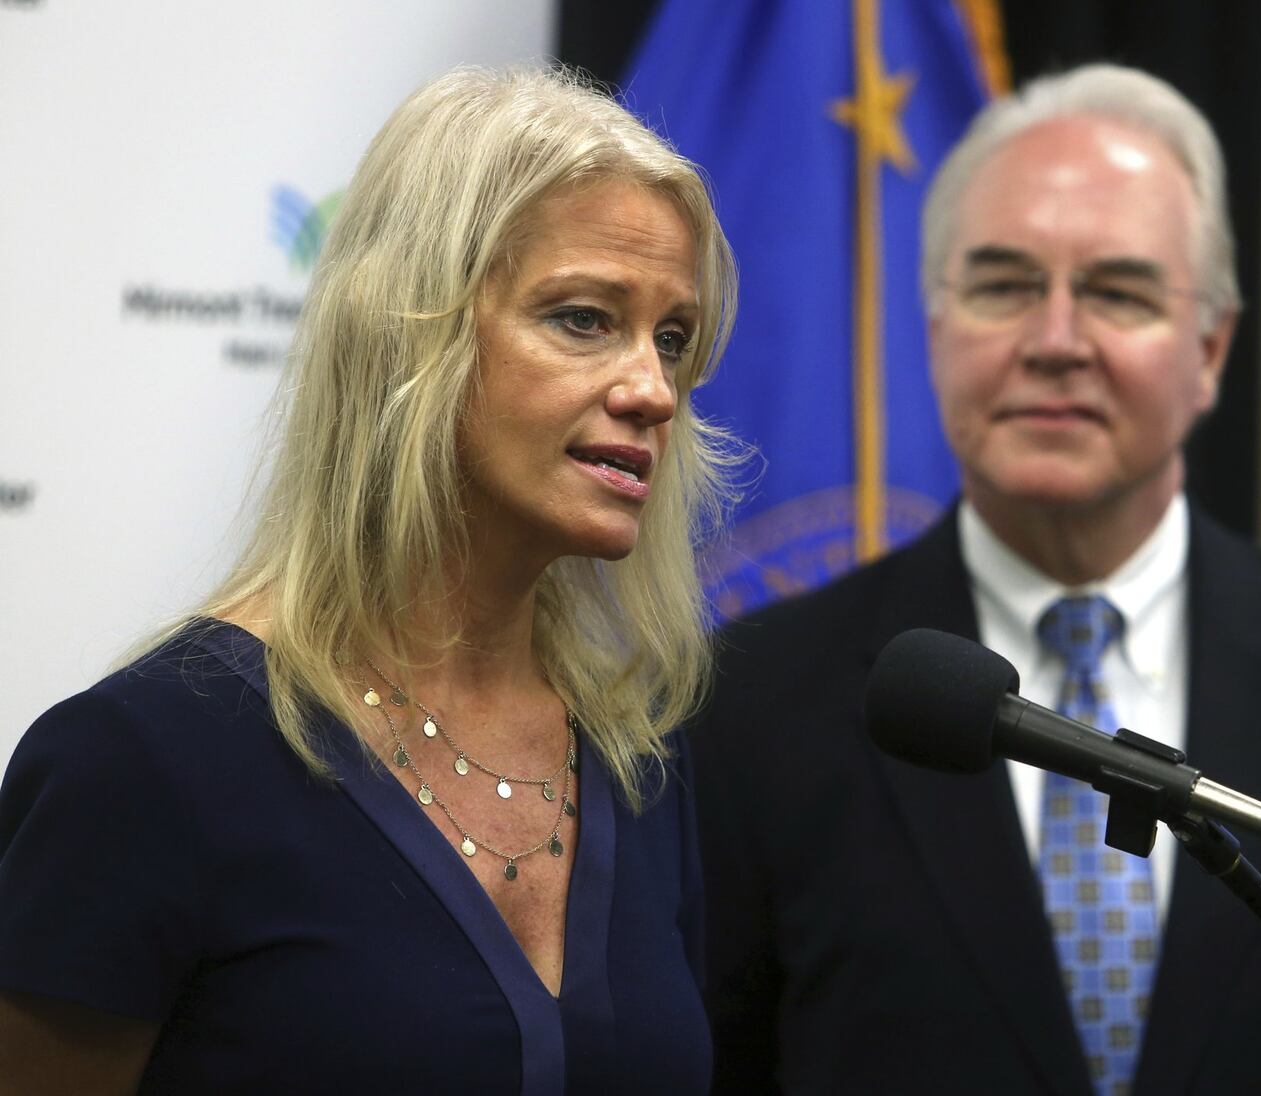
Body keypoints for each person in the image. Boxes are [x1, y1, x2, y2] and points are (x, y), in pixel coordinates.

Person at [689, 63, 1261, 1095]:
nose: (1054, 341)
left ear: (1210, 348)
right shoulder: (749, 703)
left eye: (1117, 292)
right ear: (933, 328)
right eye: (1002, 286)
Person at [0, 64, 737, 1095]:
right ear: (408, 332)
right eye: (582, 318)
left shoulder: (637, 755)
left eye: (672, 338)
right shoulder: (143, 760)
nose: (653, 389)